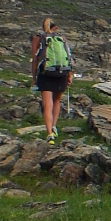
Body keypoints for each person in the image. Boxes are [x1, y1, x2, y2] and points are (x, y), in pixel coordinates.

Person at [30, 17, 73, 145]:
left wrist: (34, 78)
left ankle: (49, 134)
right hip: (62, 72)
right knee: (57, 100)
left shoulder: (38, 38)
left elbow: (34, 59)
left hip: (46, 72)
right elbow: (68, 57)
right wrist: (69, 75)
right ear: (55, 27)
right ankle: (54, 127)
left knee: (47, 104)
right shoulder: (62, 38)